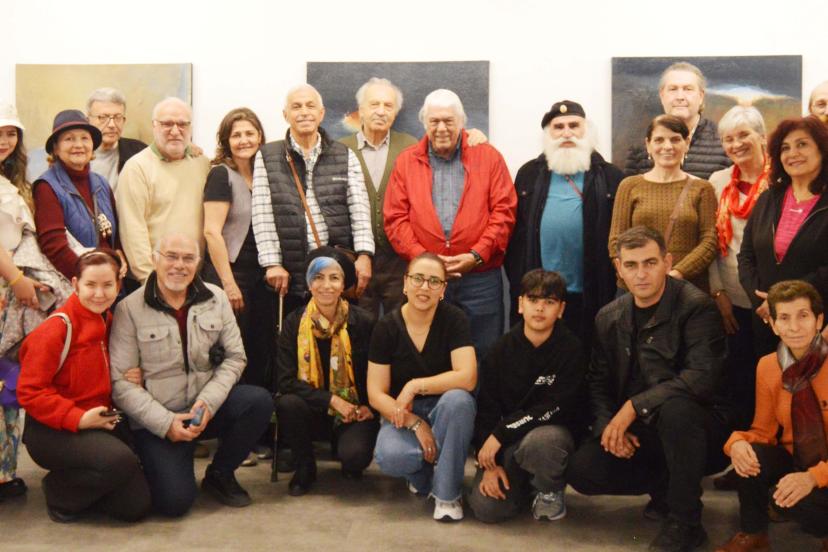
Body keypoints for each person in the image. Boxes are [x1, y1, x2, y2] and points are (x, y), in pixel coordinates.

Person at [567, 226, 730, 552]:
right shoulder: (609, 316)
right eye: (631, 265)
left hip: (698, 428)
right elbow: (598, 381)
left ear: (667, 262)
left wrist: (633, 407)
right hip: (644, 429)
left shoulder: (696, 306)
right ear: (619, 268)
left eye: (650, 263)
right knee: (583, 470)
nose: (641, 274)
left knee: (676, 411)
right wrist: (609, 428)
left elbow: (700, 377)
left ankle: (686, 523)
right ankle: (668, 489)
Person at [109, 233, 273, 516]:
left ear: (198, 263)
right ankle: (152, 462)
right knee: (174, 503)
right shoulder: (129, 308)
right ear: (155, 260)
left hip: (204, 409)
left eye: (188, 258)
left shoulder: (216, 298)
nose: (179, 265)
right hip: (159, 419)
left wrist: (207, 403)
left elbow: (235, 358)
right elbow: (121, 384)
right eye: (171, 256)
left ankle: (220, 474)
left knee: (258, 402)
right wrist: (166, 424)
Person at [17, 250, 151, 522]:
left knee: (135, 507)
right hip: (51, 429)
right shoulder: (56, 329)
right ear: (75, 284)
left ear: (118, 285)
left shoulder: (109, 321)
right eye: (91, 285)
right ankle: (59, 493)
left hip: (100, 421)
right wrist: (77, 418)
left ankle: (82, 476)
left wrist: (131, 375)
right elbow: (29, 393)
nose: (99, 294)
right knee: (119, 461)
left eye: (107, 285)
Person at [384, 89, 516, 359]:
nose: (441, 128)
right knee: (429, 351)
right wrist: (424, 261)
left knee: (484, 352)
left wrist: (476, 255)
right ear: (425, 123)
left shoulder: (489, 157)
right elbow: (395, 218)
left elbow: (504, 212)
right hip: (427, 279)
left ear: (461, 122)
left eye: (448, 121)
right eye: (434, 121)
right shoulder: (406, 162)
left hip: (480, 277)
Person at [716, 280, 828, 552]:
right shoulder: (768, 366)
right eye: (784, 318)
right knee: (751, 455)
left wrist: (814, 477)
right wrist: (737, 443)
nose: (794, 327)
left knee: (803, 502)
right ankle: (754, 534)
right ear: (774, 325)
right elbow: (763, 432)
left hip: (821, 470)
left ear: (819, 320)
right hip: (798, 460)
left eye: (803, 316)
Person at [468, 269, 585, 523]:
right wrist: (489, 465)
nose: (540, 308)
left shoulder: (572, 350)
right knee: (487, 510)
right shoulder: (500, 350)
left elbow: (554, 407)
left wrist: (501, 433)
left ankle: (549, 488)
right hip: (510, 444)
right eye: (533, 300)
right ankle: (523, 487)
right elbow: (486, 410)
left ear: (561, 309)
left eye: (549, 302)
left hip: (549, 438)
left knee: (542, 442)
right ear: (520, 304)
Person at [368, 253, 477, 521]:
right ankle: (424, 478)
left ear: (443, 289)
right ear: (405, 283)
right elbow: (376, 393)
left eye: (434, 281)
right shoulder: (386, 327)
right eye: (418, 279)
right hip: (404, 413)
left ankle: (447, 496)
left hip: (445, 410)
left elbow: (467, 377)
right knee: (391, 456)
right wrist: (415, 423)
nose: (424, 287)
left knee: (459, 400)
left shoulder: (455, 319)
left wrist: (415, 386)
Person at [506, 100, 622, 347]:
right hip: (541, 296)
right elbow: (516, 236)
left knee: (589, 354)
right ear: (548, 134)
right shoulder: (528, 174)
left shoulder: (610, 176)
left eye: (574, 125)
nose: (567, 133)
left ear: (586, 130)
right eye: (558, 127)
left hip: (593, 291)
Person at [251, 84, 374, 316]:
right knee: (296, 333)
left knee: (340, 334)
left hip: (336, 269)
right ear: (286, 115)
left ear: (321, 113)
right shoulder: (267, 156)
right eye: (296, 107)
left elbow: (359, 209)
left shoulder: (344, 155)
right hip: (290, 273)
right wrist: (272, 263)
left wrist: (365, 255)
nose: (304, 112)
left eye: (310, 106)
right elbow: (262, 214)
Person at [0, 101, 71, 501]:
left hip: (13, 284)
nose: (5, 141)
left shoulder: (11, 180)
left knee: (7, 376)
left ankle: (4, 472)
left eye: (11, 134)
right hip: (7, 281)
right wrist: (16, 278)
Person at [275, 246, 378, 495]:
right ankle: (305, 467)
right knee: (288, 403)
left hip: (353, 411)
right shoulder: (293, 322)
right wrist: (331, 400)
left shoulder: (363, 321)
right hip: (312, 409)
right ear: (309, 284)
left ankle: (344, 450)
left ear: (343, 285)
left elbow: (378, 372)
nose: (326, 286)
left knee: (354, 457)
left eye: (334, 278)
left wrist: (370, 407)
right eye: (318, 278)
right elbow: (285, 381)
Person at [707, 106, 770, 489]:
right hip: (731, 299)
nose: (736, 144)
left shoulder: (780, 180)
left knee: (771, 384)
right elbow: (712, 243)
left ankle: (771, 463)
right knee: (740, 382)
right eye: (728, 139)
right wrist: (718, 292)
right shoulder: (717, 182)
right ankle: (741, 463)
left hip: (768, 300)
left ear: (762, 136)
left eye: (744, 135)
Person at [738, 116, 828, 357]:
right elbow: (746, 255)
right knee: (769, 377)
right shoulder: (768, 198)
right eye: (785, 148)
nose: (792, 154)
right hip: (767, 319)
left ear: (822, 149)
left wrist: (783, 301)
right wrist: (762, 301)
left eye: (802, 144)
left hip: (815, 321)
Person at [202, 107, 274, 399]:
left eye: (249, 133)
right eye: (236, 135)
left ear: (260, 137)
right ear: (226, 141)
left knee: (260, 346)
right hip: (230, 274)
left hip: (260, 276)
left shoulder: (265, 173)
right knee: (231, 349)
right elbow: (211, 231)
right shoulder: (221, 175)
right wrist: (229, 284)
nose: (244, 140)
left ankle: (257, 412)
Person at [609, 114, 718, 292]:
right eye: (659, 140)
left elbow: (709, 241)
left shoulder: (702, 188)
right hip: (637, 287)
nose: (667, 146)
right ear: (648, 145)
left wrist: (675, 274)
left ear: (687, 143)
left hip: (684, 288)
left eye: (675, 139)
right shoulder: (629, 186)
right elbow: (616, 240)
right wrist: (634, 274)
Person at [116, 97, 210, 283]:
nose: (175, 131)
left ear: (190, 128)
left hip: (197, 278)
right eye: (167, 124)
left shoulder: (202, 164)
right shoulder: (137, 168)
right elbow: (133, 232)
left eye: (182, 124)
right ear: (154, 126)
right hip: (155, 280)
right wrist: (150, 281)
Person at [32, 110, 127, 281]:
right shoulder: (46, 187)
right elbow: (54, 247)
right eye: (69, 139)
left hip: (110, 281)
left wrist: (119, 254)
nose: (78, 145)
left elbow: (115, 236)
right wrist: (90, 279)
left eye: (84, 138)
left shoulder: (101, 183)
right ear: (55, 148)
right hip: (78, 284)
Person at [624, 61, 730, 179]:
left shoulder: (724, 144)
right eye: (673, 89)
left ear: (701, 96)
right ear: (662, 95)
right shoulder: (640, 147)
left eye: (688, 89)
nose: (680, 97)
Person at [86, 87, 147, 191]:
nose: (112, 125)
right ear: (88, 121)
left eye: (118, 117)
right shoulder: (77, 154)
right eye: (103, 117)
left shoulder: (139, 152)